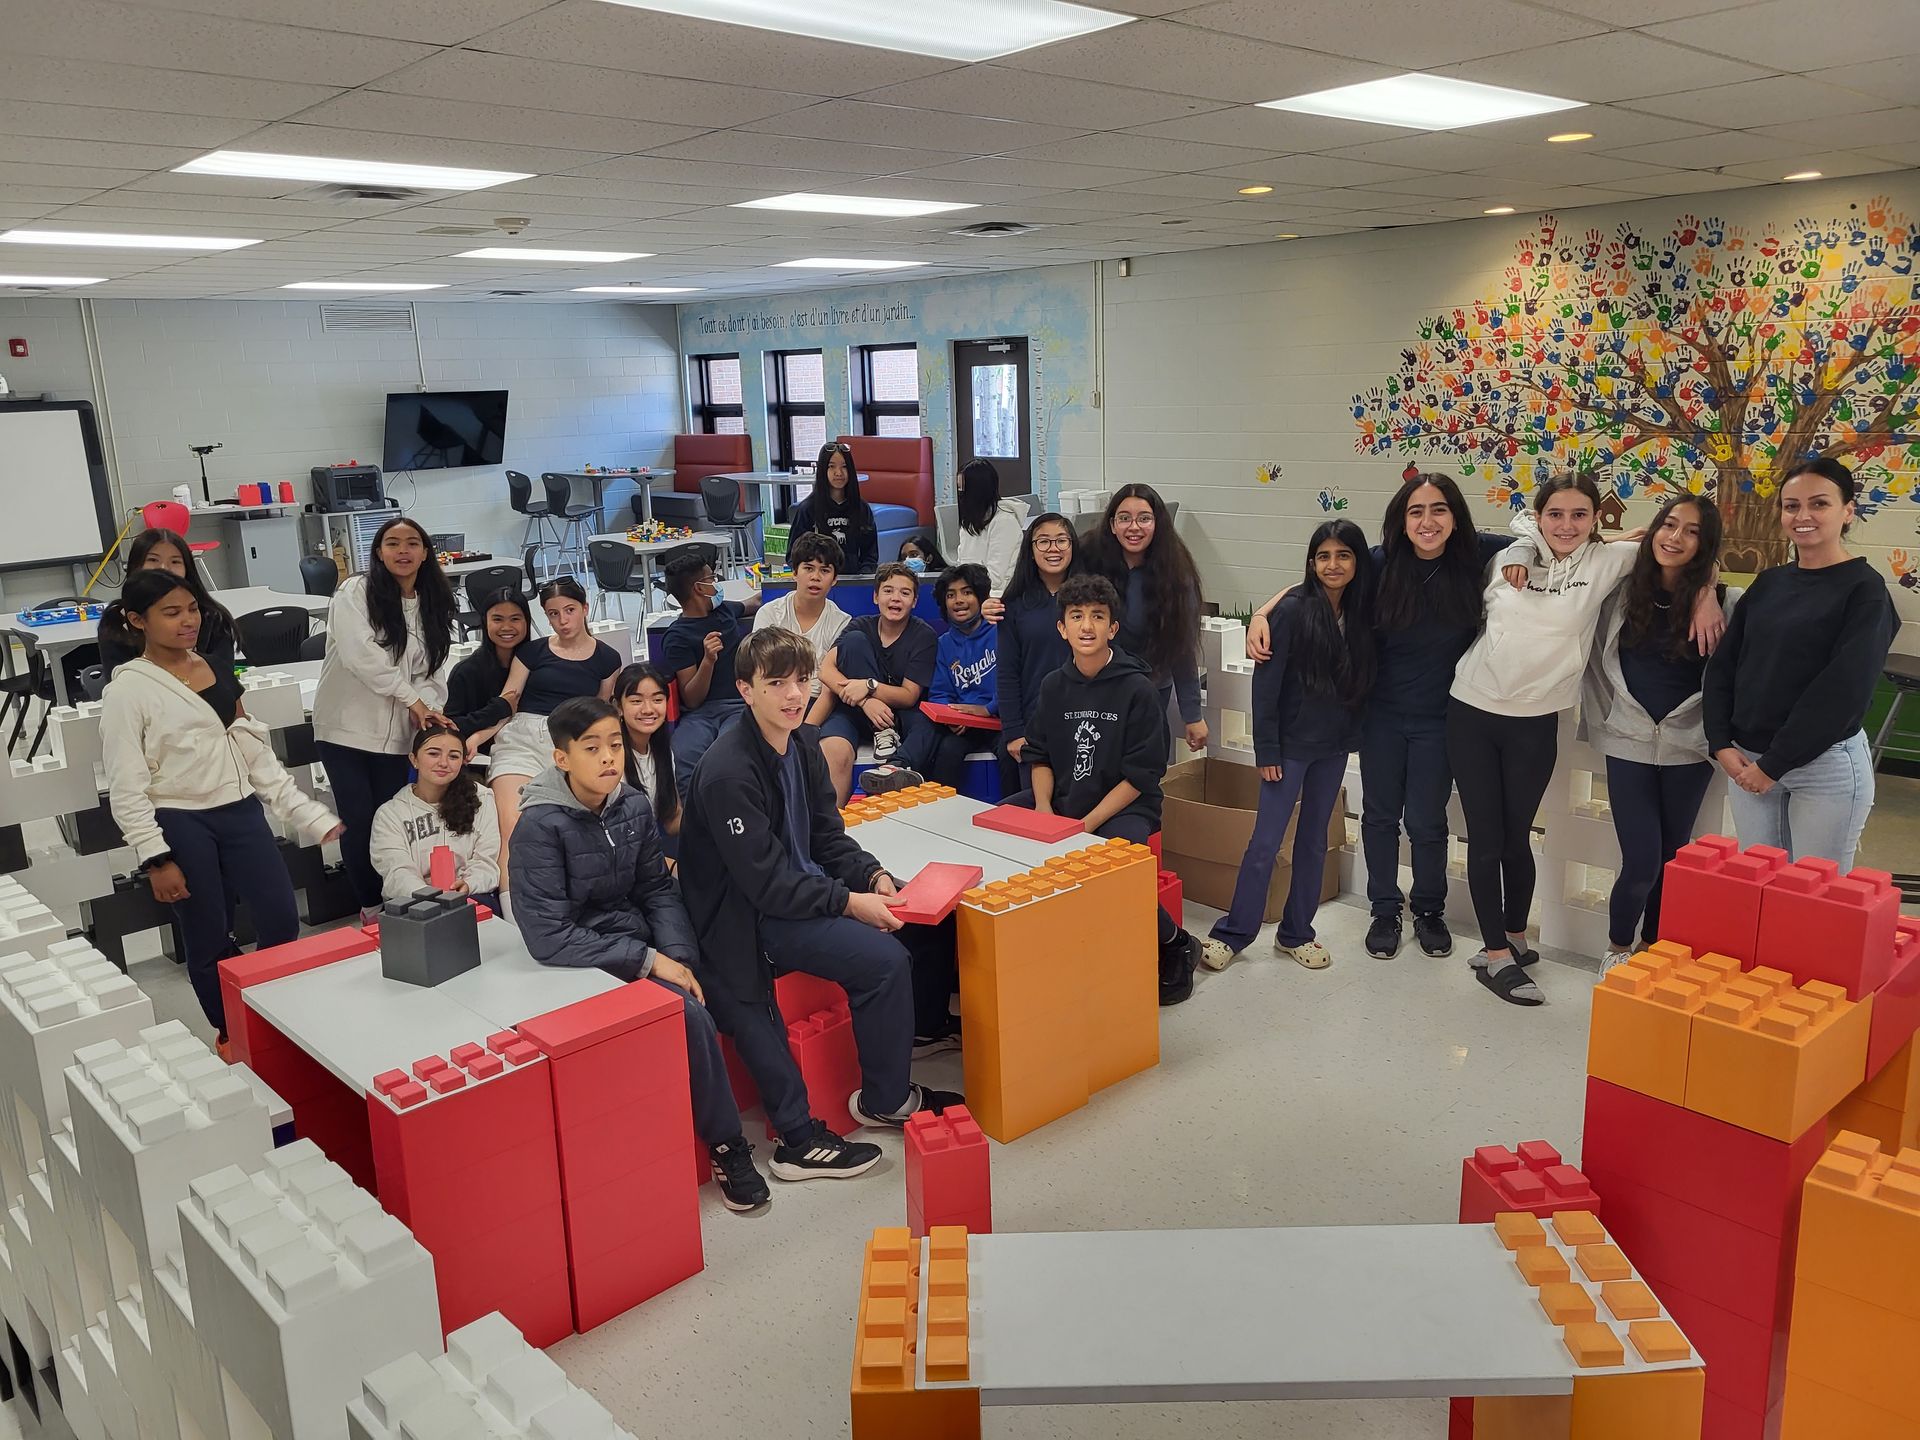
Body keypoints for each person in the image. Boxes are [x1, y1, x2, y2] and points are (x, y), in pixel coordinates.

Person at [680, 628, 961, 1181]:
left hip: (796, 894)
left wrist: (872, 875)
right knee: (884, 962)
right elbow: (766, 886)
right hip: (749, 919)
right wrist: (848, 903)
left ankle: (916, 1048)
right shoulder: (729, 771)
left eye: (802, 680)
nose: (793, 694)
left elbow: (828, 837)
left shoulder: (802, 743)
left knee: (923, 926)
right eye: (776, 682)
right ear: (745, 689)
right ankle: (885, 1099)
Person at [509, 696, 770, 1212]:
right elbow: (548, 937)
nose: (609, 758)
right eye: (592, 748)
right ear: (562, 758)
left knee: (736, 974)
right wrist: (653, 963)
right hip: (582, 958)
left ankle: (789, 1120)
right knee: (690, 1015)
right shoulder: (538, 828)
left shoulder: (630, 804)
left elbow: (655, 888)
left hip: (637, 937)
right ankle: (726, 1143)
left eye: (614, 745)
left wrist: (678, 955)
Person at [1246, 474, 1520, 962]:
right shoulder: (1380, 560)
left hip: (1442, 718)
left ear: (1455, 517)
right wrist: (1261, 614)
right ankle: (1384, 909)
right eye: (1416, 511)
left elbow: (1546, 540)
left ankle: (1429, 910)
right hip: (1382, 716)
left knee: (1427, 820)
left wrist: (1622, 542)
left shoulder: (1477, 555)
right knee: (1379, 816)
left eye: (1439, 509)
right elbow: (1319, 578)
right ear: (1402, 518)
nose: (1428, 521)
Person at [99, 570, 341, 1035]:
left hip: (241, 810)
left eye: (191, 609)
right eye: (171, 613)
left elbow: (252, 748)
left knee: (279, 919)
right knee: (207, 936)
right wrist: (155, 857)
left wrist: (302, 811)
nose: (187, 620)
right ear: (137, 620)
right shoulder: (128, 691)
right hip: (180, 820)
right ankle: (232, 1031)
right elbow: (126, 784)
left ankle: (272, 1014)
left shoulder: (215, 667)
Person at [1448, 475, 1648, 1005]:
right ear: (1538, 516)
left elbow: (1684, 549)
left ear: (1595, 520)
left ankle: (1515, 939)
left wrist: (1706, 596)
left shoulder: (1609, 561)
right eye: (1554, 515)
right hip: (1472, 710)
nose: (1566, 525)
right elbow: (1508, 529)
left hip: (1537, 721)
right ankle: (1493, 957)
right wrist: (1522, 542)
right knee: (1486, 839)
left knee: (1518, 837)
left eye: (1579, 515)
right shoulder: (1505, 556)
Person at [1015, 574, 1202, 1005]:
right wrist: (1044, 809)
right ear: (1061, 628)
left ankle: (1175, 941)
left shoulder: (1136, 688)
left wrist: (1086, 825)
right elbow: (1038, 754)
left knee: (1111, 870)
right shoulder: (1053, 686)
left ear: (1112, 628)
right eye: (1076, 616)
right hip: (1061, 801)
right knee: (999, 827)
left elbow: (1142, 775)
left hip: (1124, 807)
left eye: (1097, 617)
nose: (1086, 626)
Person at [1704, 457, 1898, 873]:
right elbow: (1726, 666)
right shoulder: (1771, 582)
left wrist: (1775, 764)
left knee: (1817, 895)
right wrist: (1721, 742)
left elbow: (1842, 692)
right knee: (1760, 885)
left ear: (1848, 511)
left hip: (1821, 765)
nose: (1803, 515)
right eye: (1791, 505)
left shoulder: (1865, 591)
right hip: (1747, 761)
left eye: (1819, 504)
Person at [1199, 521, 1375, 973]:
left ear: (1358, 561)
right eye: (1323, 556)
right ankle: (1233, 934)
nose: (1332, 566)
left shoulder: (1362, 610)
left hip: (1333, 747)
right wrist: (1268, 751)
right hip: (1289, 750)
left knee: (1314, 841)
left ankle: (1297, 932)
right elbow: (1267, 685)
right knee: (1265, 842)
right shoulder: (1294, 610)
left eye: (1343, 556)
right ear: (1311, 562)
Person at [1585, 496, 1740, 971]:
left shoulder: (1725, 604)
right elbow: (1544, 539)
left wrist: (1709, 590)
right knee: (1641, 863)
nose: (1675, 537)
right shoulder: (1621, 591)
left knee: (1673, 860)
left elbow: (1728, 677)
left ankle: (1654, 947)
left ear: (1705, 545)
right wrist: (1610, 539)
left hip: (1688, 747)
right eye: (1668, 525)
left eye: (1691, 531)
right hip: (1628, 741)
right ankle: (1615, 951)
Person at [312, 516, 457, 921]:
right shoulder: (355, 591)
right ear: (378, 551)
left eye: (413, 542)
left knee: (391, 819)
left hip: (398, 736)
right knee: (358, 821)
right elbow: (363, 657)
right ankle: (372, 907)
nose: (403, 551)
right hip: (346, 730)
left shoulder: (431, 601)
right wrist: (414, 700)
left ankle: (400, 899)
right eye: (393, 543)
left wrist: (429, 708)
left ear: (426, 552)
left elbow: (432, 669)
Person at [481, 576, 623, 876]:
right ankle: (513, 915)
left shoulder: (607, 659)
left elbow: (601, 711)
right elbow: (510, 699)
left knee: (573, 827)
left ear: (585, 608)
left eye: (569, 610)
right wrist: (475, 736)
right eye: (553, 614)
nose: (562, 620)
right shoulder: (532, 652)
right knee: (514, 825)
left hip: (572, 742)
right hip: (522, 737)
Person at [1082, 483, 1208, 757]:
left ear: (1158, 524)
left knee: (1143, 772)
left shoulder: (1176, 575)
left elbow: (1182, 646)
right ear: (1112, 524)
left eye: (1144, 518)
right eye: (1124, 518)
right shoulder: (1088, 558)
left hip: (1149, 690)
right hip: (1094, 689)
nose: (1134, 527)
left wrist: (1192, 715)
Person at [815, 563, 939, 803]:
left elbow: (909, 695)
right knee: (834, 748)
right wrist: (865, 701)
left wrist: (870, 686)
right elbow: (826, 670)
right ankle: (830, 826)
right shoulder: (859, 626)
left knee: (931, 723)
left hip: (898, 716)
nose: (895, 598)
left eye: (905, 593)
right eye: (888, 590)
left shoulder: (923, 635)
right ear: (875, 596)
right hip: (854, 710)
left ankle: (893, 769)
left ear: (914, 601)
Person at [370, 723, 503, 912]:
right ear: (414, 759)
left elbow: (486, 860)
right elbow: (396, 872)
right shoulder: (390, 814)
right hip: (414, 904)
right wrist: (431, 898)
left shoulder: (481, 798)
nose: (443, 763)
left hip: (470, 897)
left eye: (454, 756)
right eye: (433, 753)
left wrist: (467, 884)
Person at [992, 512, 1078, 794]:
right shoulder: (1014, 603)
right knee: (1036, 811)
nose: (1053, 549)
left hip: (1083, 720)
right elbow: (1007, 673)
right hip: (1033, 726)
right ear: (1030, 550)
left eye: (1061, 540)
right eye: (1043, 542)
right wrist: (1014, 732)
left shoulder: (1088, 597)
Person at [661, 553, 760, 791]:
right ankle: (689, 822)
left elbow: (754, 603)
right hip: (701, 714)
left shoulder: (724, 611)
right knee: (685, 757)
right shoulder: (677, 637)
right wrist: (708, 660)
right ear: (699, 588)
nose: (717, 584)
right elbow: (692, 699)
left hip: (739, 705)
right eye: (712, 578)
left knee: (730, 754)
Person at [897, 563, 997, 790]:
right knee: (947, 750)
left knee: (1013, 752)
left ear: (981, 597)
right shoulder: (943, 643)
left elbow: (1013, 684)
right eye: (951, 595)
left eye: (967, 592)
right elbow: (940, 692)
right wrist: (952, 718)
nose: (959, 600)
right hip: (965, 724)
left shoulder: (1001, 633)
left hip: (999, 721)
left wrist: (990, 709)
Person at [99, 527, 237, 679]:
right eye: (153, 560)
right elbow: (119, 682)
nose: (164, 568)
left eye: (175, 561)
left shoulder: (212, 616)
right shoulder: (117, 621)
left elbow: (225, 680)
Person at [753, 531, 850, 701]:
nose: (815, 577)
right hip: (775, 700)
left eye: (825, 570)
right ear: (795, 572)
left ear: (834, 579)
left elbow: (830, 689)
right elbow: (760, 674)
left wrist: (810, 725)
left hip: (818, 702)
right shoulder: (769, 614)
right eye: (808, 568)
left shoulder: (842, 623)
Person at [444, 588, 530, 759]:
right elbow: (450, 727)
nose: (507, 627)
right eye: (497, 619)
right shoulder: (467, 672)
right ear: (485, 622)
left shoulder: (538, 664)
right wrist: (498, 709)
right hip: (484, 757)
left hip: (532, 748)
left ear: (527, 622)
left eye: (515, 619)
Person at [613, 662, 680, 841]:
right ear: (619, 707)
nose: (648, 709)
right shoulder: (611, 758)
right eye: (636, 701)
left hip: (647, 849)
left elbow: (672, 820)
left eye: (657, 700)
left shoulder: (663, 751)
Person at [788, 440, 878, 573]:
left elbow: (870, 555)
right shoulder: (807, 509)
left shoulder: (862, 508)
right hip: (819, 583)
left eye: (844, 466)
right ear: (823, 470)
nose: (839, 473)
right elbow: (793, 556)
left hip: (853, 581)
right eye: (832, 466)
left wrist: (862, 578)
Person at [952, 460, 1025, 595]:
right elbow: (961, 563)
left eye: (964, 489)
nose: (961, 495)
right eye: (959, 488)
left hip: (996, 596)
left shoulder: (1004, 522)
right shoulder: (969, 523)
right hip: (970, 591)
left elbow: (995, 578)